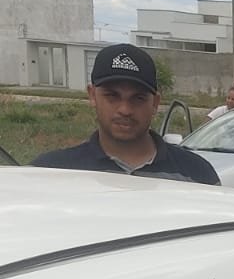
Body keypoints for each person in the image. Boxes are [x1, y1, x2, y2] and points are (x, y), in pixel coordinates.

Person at [30, 45, 219, 185]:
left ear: (155, 103)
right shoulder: (52, 172)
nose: (125, 109)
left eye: (138, 98)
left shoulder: (197, 174)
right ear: (92, 95)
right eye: (112, 96)